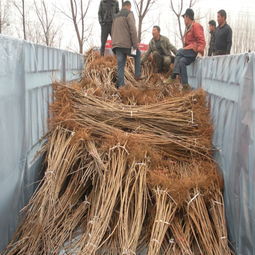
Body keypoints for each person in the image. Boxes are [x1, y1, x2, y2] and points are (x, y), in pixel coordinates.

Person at [164, 8, 206, 88]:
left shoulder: (196, 26)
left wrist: (200, 52)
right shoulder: (188, 29)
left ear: (187, 17)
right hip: (189, 51)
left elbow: (201, 40)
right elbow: (186, 45)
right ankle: (185, 85)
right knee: (181, 62)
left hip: (194, 50)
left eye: (184, 18)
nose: (184, 20)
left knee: (179, 51)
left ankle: (173, 76)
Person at [112, 1, 142, 88]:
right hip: (126, 45)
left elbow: (112, 30)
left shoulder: (116, 16)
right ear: (129, 6)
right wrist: (135, 45)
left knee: (120, 65)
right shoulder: (129, 13)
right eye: (130, 7)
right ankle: (137, 75)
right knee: (138, 53)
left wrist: (114, 45)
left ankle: (121, 86)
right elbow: (133, 29)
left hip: (117, 46)